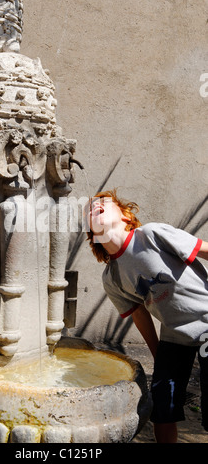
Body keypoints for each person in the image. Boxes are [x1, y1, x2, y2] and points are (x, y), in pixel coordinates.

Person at [85, 189, 208, 443]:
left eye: (104, 203)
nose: (95, 206)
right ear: (92, 235)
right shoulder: (111, 278)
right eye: (89, 209)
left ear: (126, 217)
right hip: (175, 336)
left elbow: (204, 249)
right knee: (162, 406)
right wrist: (158, 354)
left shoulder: (151, 235)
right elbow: (140, 315)